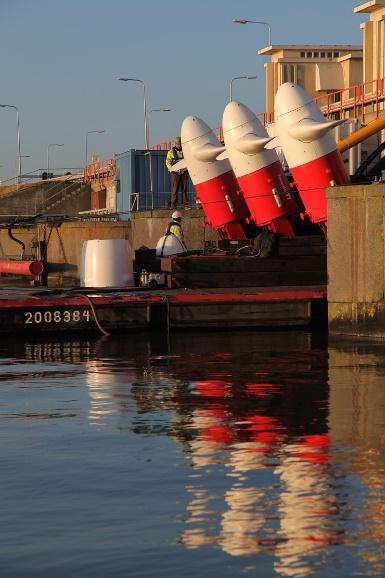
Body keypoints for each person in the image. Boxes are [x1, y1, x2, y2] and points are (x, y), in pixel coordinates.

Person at [166, 137, 189, 209]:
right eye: (178, 144)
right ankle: (173, 205)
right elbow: (167, 162)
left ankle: (185, 205)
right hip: (175, 173)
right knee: (175, 190)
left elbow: (189, 160)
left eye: (180, 144)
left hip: (184, 172)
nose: (179, 145)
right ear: (175, 144)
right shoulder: (170, 152)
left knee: (184, 189)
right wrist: (171, 169)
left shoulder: (186, 151)